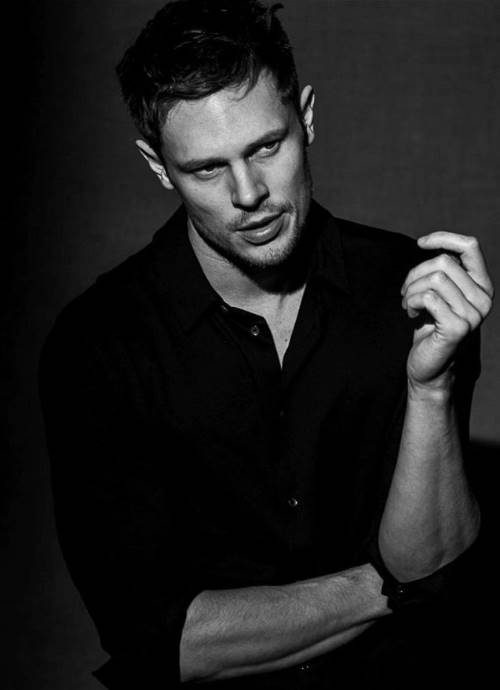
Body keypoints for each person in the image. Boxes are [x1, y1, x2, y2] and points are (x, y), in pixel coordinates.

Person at [39, 0, 494, 687]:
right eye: (206, 169)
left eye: (265, 147)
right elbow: (161, 641)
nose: (248, 193)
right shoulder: (99, 344)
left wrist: (430, 388)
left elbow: (439, 554)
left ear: (305, 118)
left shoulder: (415, 291)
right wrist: (392, 586)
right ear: (159, 167)